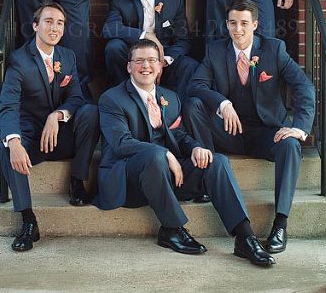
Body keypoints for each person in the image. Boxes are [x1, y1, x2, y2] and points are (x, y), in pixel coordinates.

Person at [94, 39, 275, 266]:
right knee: (156, 156)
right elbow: (121, 143)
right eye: (138, 61)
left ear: (160, 66)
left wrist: (196, 147)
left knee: (216, 161)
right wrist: (166, 154)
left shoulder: (170, 97)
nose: (145, 66)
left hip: (164, 177)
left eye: (151, 60)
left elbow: (178, 135)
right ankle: (171, 229)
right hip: (127, 179)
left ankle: (244, 237)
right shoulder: (111, 99)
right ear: (129, 66)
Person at [185, 0, 314, 255]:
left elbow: (304, 87)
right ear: (227, 24)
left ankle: (280, 224)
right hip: (228, 132)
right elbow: (196, 85)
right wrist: (223, 104)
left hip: (266, 132)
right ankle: (208, 176)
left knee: (290, 145)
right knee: (193, 105)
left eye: (244, 23)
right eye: (233, 23)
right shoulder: (216, 50)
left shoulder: (274, 49)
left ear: (255, 25)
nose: (238, 29)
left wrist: (299, 127)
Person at [0, 1, 100, 252]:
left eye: (60, 23)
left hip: (61, 136)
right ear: (35, 26)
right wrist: (14, 142)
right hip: (33, 138)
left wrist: (57, 115)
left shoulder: (67, 56)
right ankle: (28, 221)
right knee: (5, 150)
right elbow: (8, 105)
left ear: (64, 30)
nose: (54, 28)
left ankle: (77, 182)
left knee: (91, 112)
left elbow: (76, 96)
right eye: (48, 21)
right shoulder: (19, 60)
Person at [102, 0, 199, 100]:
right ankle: (126, 99)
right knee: (113, 47)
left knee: (189, 64)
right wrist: (145, 35)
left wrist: (164, 60)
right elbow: (109, 28)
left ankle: (174, 108)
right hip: (134, 57)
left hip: (163, 55)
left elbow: (183, 39)